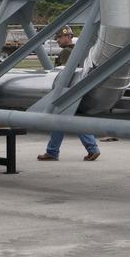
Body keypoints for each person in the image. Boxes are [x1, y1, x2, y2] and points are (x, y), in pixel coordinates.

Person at [38, 27, 100, 161]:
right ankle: (52, 151)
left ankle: (91, 148)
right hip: (77, 89)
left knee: (70, 121)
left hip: (67, 90)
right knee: (60, 121)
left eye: (59, 37)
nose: (58, 40)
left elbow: (64, 74)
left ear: (67, 37)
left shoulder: (66, 52)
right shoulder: (80, 50)